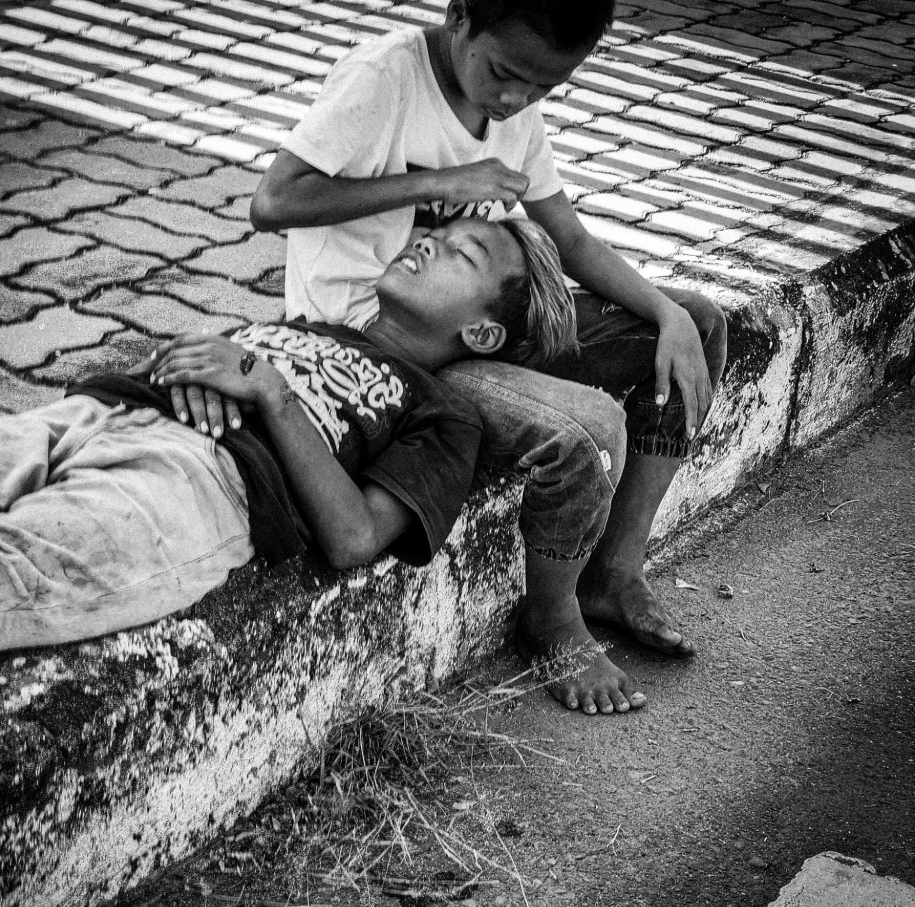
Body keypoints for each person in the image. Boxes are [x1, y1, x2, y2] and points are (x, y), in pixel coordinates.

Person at [243, 0, 728, 716]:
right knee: (587, 431)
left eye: (542, 87)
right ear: (460, 17)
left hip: (470, 324)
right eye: (504, 74)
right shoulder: (386, 78)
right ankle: (552, 620)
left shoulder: (511, 107)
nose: (515, 99)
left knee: (699, 325)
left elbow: (570, 240)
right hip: (386, 344)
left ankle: (615, 572)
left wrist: (666, 313)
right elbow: (274, 201)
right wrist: (438, 184)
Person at [0, 218, 573, 685]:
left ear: (482, 334)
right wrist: (195, 368)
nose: (428, 242)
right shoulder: (316, 326)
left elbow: (353, 537)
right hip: (103, 411)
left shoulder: (442, 414)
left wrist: (269, 392)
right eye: (437, 232)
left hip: (198, 485)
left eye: (461, 254)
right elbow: (222, 366)